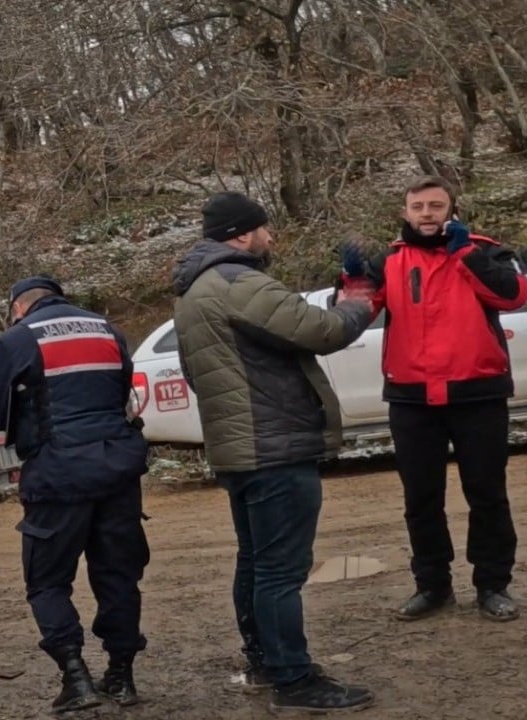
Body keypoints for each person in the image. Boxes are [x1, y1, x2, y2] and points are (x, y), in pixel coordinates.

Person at [171, 191, 375, 714]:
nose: (270, 238)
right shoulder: (238, 281)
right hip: (275, 447)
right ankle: (294, 679)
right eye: (264, 228)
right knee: (282, 571)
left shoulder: (194, 291)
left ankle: (265, 662)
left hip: (241, 450)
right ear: (241, 234)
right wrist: (360, 296)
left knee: (258, 563)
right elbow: (322, 332)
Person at [348, 175, 527, 622]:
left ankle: (492, 584)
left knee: (487, 494)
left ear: (452, 210)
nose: (427, 214)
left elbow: (513, 295)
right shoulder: (388, 261)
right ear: (405, 213)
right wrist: (351, 278)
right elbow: (353, 313)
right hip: (411, 397)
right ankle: (432, 585)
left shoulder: (485, 251)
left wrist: (465, 253)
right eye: (418, 206)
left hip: (477, 393)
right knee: (420, 498)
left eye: (436, 206)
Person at [0, 275, 150, 713]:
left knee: (48, 581)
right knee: (119, 575)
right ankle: (122, 676)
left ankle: (76, 677)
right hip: (117, 472)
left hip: (57, 478)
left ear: (18, 307)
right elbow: (122, 394)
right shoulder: (107, 329)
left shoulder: (15, 340)